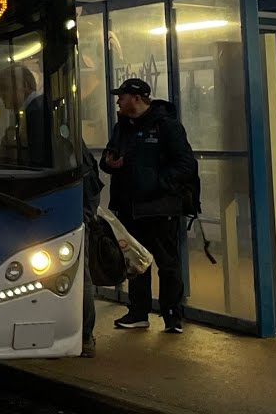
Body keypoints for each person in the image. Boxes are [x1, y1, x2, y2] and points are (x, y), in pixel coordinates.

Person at [100, 78, 196, 334]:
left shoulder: (166, 126)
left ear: (136, 98)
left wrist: (157, 183)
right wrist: (109, 163)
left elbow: (186, 164)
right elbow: (107, 159)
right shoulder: (122, 127)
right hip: (130, 207)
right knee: (136, 262)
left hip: (160, 208)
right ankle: (138, 313)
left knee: (167, 263)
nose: (118, 102)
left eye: (121, 97)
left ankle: (172, 315)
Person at [0, 64, 47, 166]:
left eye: (4, 88)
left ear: (24, 85)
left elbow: (36, 162)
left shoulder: (36, 114)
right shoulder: (34, 110)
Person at [80, 144, 103, 357]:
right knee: (81, 278)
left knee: (81, 278)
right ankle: (84, 337)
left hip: (74, 221)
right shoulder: (77, 148)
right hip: (75, 218)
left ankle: (85, 335)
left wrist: (83, 218)